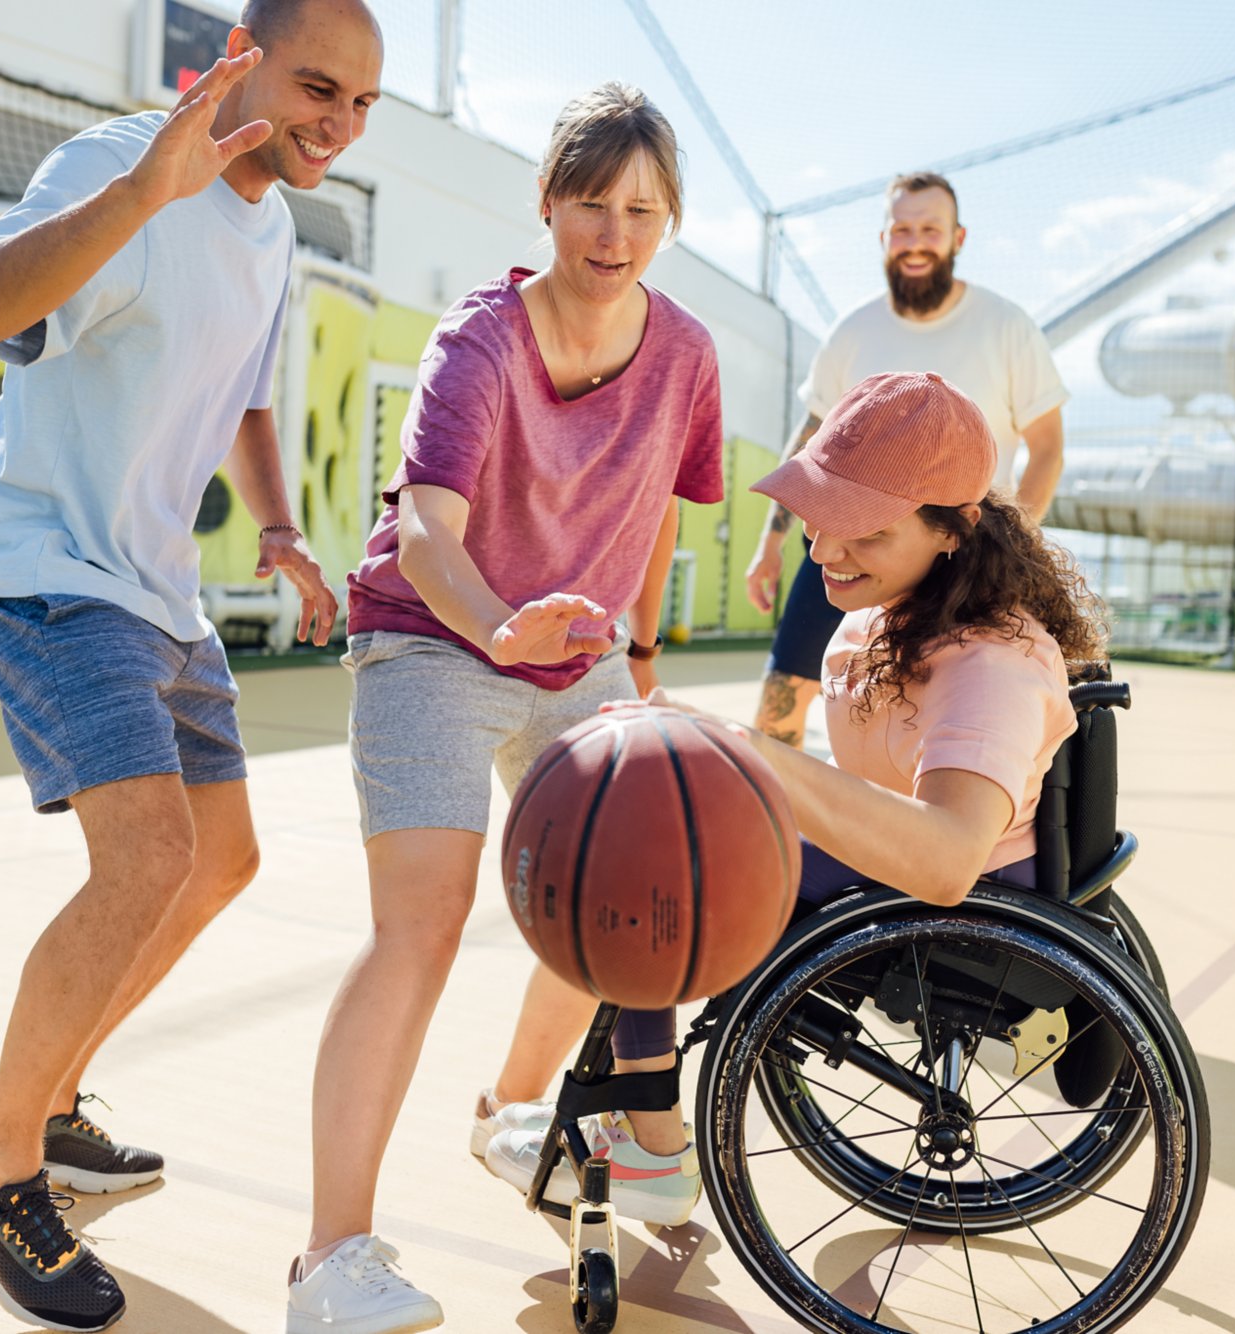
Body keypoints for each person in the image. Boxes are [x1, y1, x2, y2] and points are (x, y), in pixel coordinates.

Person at [0, 5, 382, 1329]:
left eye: (360, 105)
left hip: (157, 586)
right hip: (48, 561)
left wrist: (283, 527)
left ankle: (48, 1104)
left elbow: (244, 392)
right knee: (146, 858)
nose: (337, 125)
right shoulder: (122, 165)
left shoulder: (275, 225)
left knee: (221, 857)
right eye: (315, 87)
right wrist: (137, 191)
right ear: (239, 52)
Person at [287, 83, 723, 1334]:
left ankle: (512, 1110)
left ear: (666, 219)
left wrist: (637, 654)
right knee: (417, 931)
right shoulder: (479, 340)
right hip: (434, 635)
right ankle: (328, 1261)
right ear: (547, 203)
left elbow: (665, 506)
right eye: (590, 202)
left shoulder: (684, 351)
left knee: (619, 895)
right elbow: (426, 531)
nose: (613, 231)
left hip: (574, 651)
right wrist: (495, 626)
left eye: (641, 209)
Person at [481, 370, 1104, 1215]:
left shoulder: (988, 665)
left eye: (865, 533)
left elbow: (950, 858)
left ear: (952, 532)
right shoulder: (898, 612)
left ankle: (651, 1146)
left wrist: (751, 756)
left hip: (964, 904)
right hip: (893, 874)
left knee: (641, 861)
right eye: (819, 518)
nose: (824, 551)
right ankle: (585, 1105)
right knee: (664, 805)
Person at [743, 172, 1070, 749]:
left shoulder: (1006, 326)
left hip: (954, 549)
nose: (915, 241)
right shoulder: (854, 330)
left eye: (929, 228)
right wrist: (770, 543)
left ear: (957, 238)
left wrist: (1017, 544)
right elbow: (815, 432)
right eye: (902, 229)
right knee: (777, 709)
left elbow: (1047, 448)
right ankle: (774, 829)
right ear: (884, 239)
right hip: (845, 538)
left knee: (933, 712)